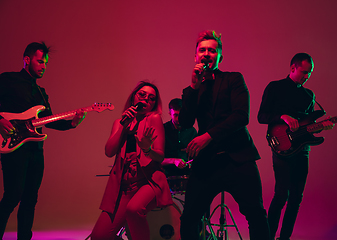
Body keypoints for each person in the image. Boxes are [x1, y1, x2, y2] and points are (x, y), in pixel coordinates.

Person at [179, 30, 270, 240]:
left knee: (255, 213)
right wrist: (194, 86)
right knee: (190, 218)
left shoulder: (233, 79)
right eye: (202, 50)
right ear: (195, 56)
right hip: (207, 162)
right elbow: (184, 123)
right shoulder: (190, 90)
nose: (207, 54)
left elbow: (241, 116)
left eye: (212, 50)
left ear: (219, 56)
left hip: (238, 158)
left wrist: (207, 136)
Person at [0, 42, 86, 240]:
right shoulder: (8, 80)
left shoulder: (41, 93)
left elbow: (50, 121)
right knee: (12, 196)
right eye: (40, 61)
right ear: (27, 60)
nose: (44, 66)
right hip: (13, 149)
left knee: (30, 199)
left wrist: (73, 123)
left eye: (46, 63)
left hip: (36, 151)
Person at [257, 53, 334, 240]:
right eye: (304, 72)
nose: (307, 76)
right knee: (281, 195)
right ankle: (267, 236)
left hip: (302, 151)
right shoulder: (275, 87)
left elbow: (307, 127)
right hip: (281, 148)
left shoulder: (309, 95)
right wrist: (282, 116)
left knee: (296, 200)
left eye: (310, 73)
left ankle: (285, 238)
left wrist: (321, 126)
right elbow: (261, 117)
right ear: (293, 67)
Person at [91, 81, 173, 240]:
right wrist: (123, 125)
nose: (146, 99)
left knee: (134, 209)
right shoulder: (119, 122)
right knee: (98, 237)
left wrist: (147, 149)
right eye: (142, 94)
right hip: (125, 187)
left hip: (148, 181)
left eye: (151, 98)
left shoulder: (154, 119)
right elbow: (109, 151)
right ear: (133, 97)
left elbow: (160, 156)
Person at [161, 98, 197, 177]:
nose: (178, 119)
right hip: (166, 176)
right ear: (170, 113)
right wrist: (173, 161)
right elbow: (155, 159)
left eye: (181, 115)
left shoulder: (192, 131)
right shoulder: (162, 130)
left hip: (188, 175)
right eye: (175, 115)